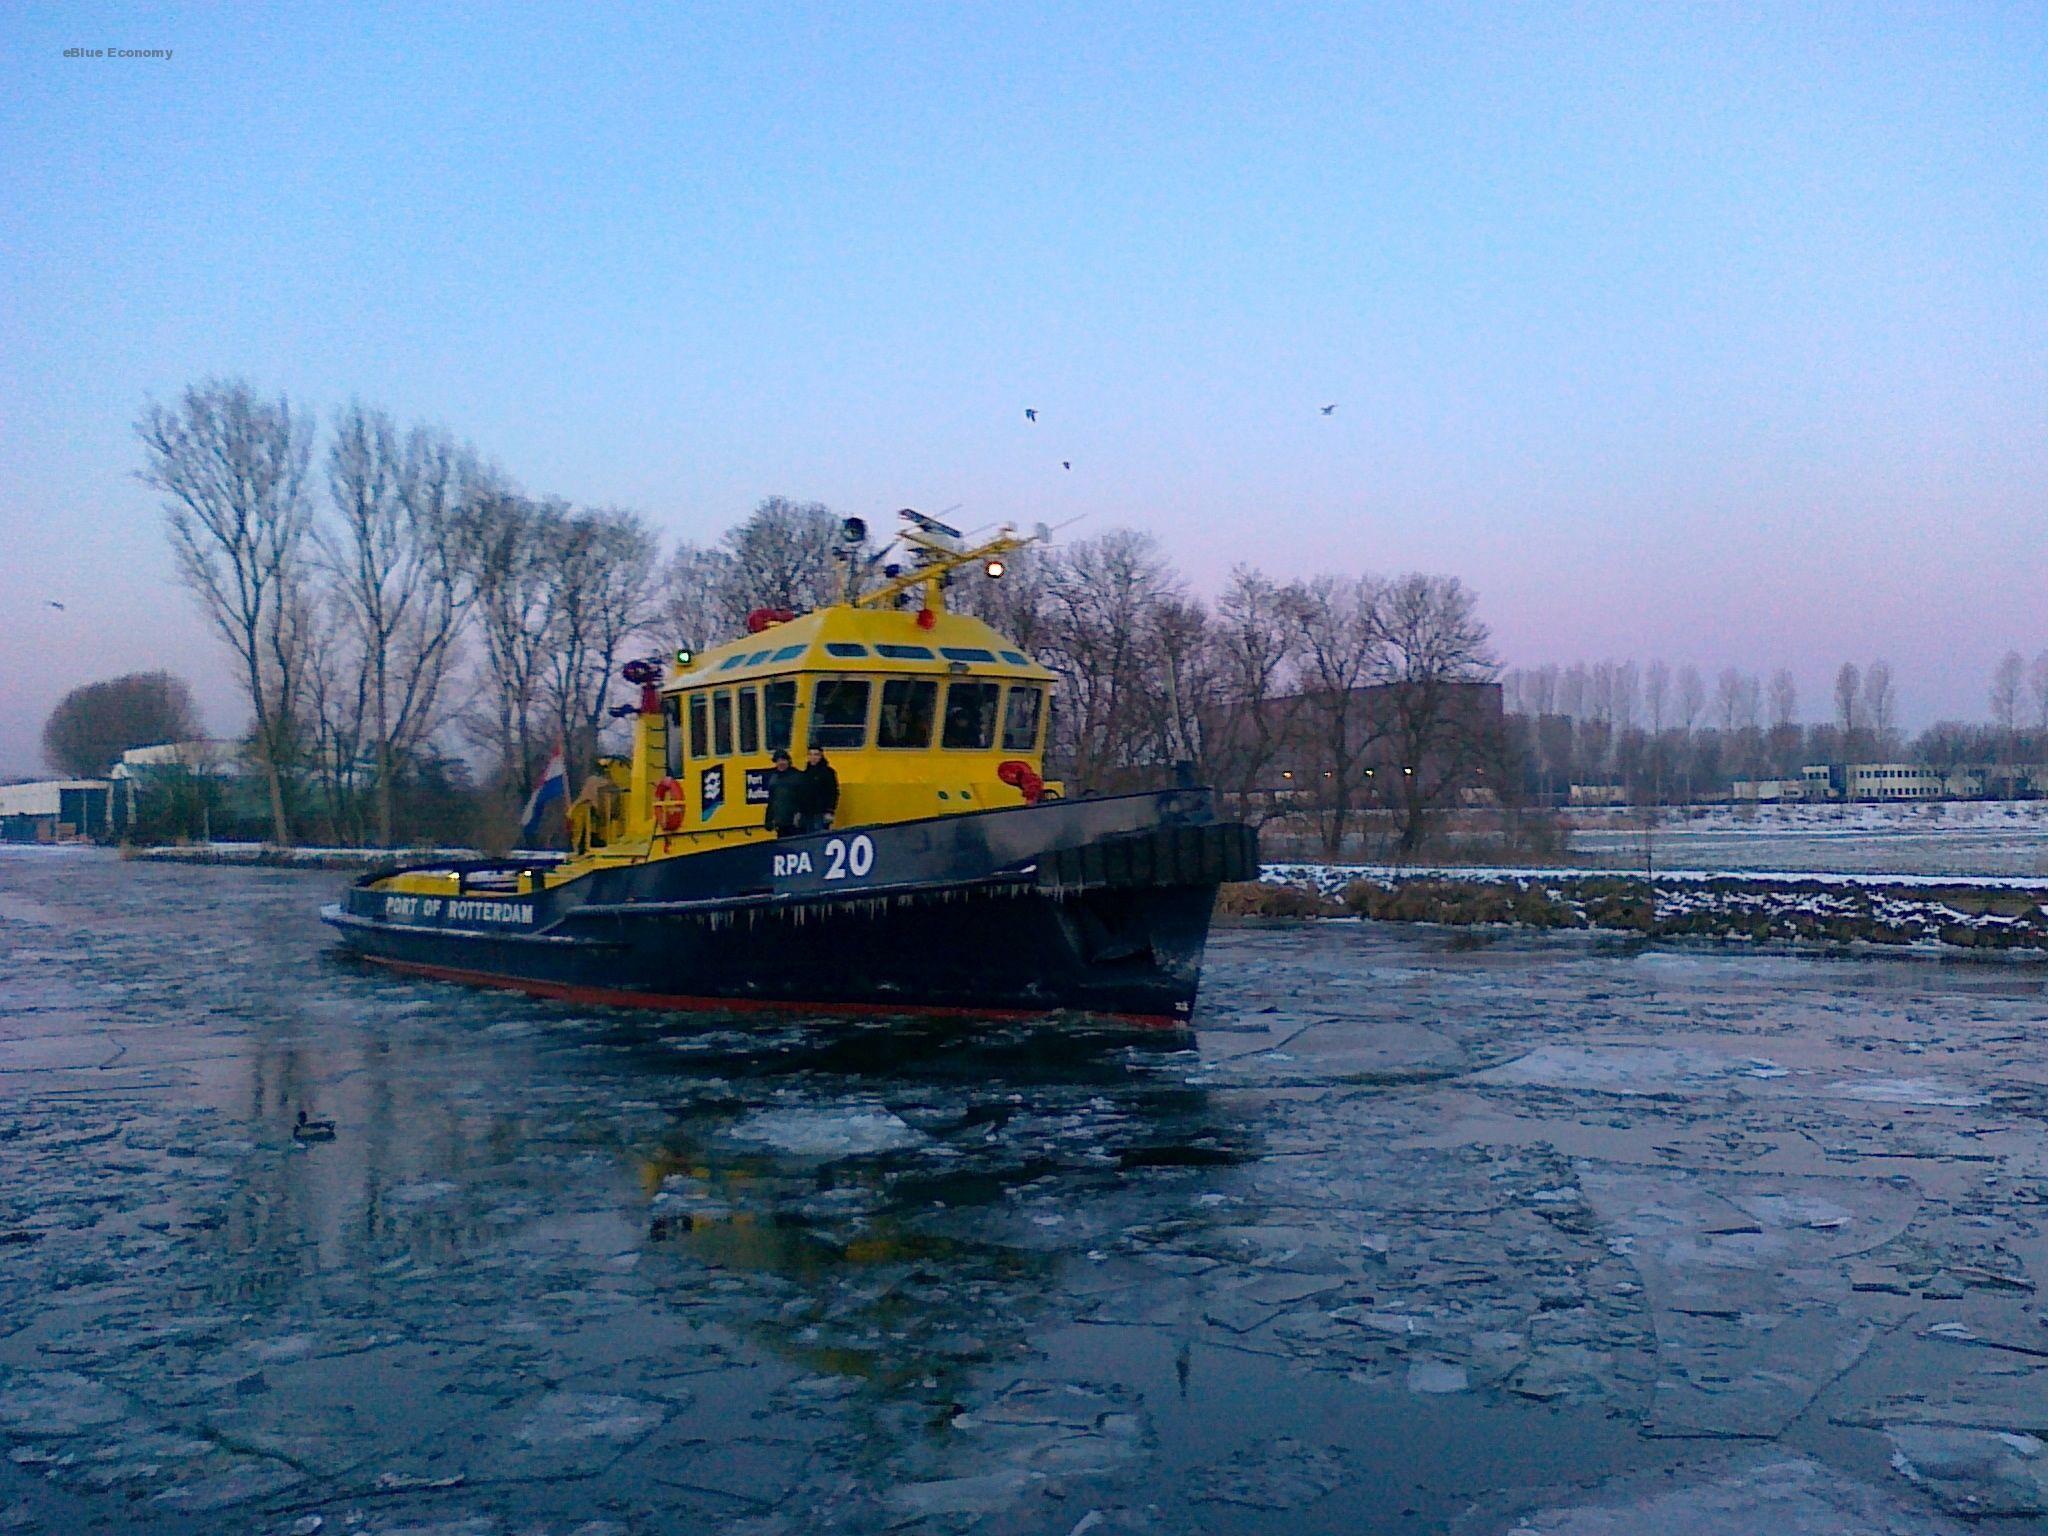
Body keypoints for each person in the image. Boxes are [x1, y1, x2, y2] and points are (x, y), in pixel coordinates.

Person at [797, 745, 839, 832]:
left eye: (816, 755)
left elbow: (833, 792)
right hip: (805, 814)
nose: (813, 757)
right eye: (811, 755)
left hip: (821, 813)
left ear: (821, 756)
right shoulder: (805, 773)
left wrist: (830, 811)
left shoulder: (828, 772)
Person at [764, 748, 804, 836]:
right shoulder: (774, 778)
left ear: (788, 761)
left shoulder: (798, 776)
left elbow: (803, 798)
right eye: (778, 761)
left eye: (783, 760)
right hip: (780, 822)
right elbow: (771, 801)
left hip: (795, 822)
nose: (781, 763)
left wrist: (799, 814)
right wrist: (768, 820)